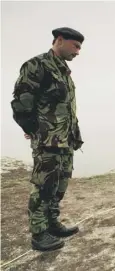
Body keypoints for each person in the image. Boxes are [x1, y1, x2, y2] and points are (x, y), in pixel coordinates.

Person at [10, 27, 85, 252]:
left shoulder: (64, 71)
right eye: (76, 46)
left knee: (59, 186)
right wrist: (34, 129)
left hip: (66, 140)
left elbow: (66, 109)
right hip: (48, 141)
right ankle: (39, 233)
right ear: (59, 41)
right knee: (44, 186)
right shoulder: (37, 65)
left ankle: (52, 223)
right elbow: (21, 103)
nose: (78, 52)